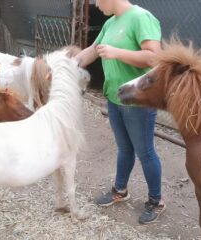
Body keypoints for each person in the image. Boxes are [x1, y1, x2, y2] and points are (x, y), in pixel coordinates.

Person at [76, 0, 165, 224]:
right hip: (115, 98)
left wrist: (117, 52)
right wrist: (65, 67)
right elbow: (91, 51)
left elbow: (154, 58)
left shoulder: (141, 18)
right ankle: (120, 190)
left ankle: (156, 200)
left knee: (145, 152)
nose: (95, 5)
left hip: (138, 101)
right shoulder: (110, 23)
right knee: (124, 148)